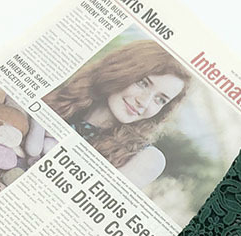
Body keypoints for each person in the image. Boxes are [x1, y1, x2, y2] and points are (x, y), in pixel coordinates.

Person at [44, 40, 191, 188]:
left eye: (160, 99)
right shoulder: (57, 99)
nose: (144, 102)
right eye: (143, 83)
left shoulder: (144, 157)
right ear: (119, 70)